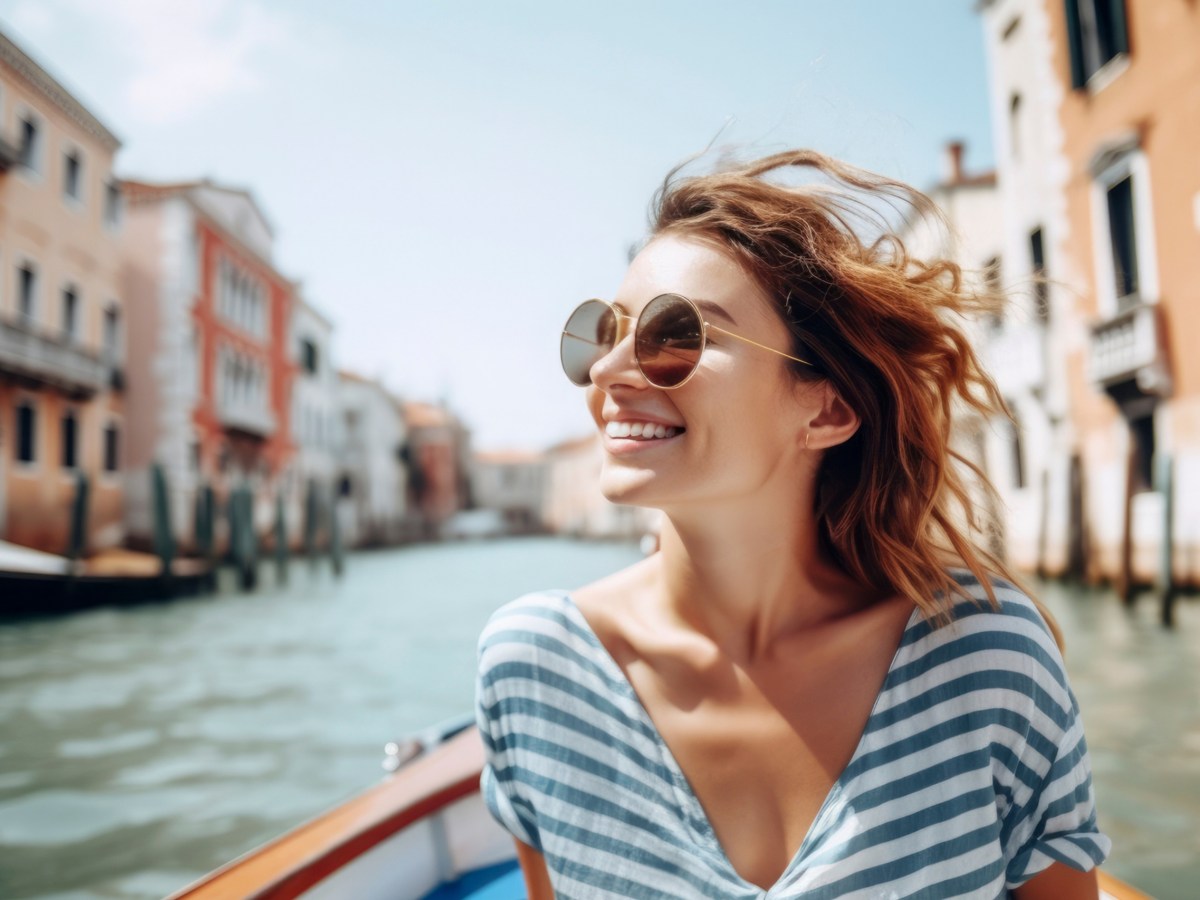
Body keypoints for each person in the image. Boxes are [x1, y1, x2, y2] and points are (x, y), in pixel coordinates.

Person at [475, 150, 1110, 899]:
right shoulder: (535, 670)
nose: (612, 370)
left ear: (826, 409)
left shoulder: (987, 665)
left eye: (676, 335)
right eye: (601, 332)